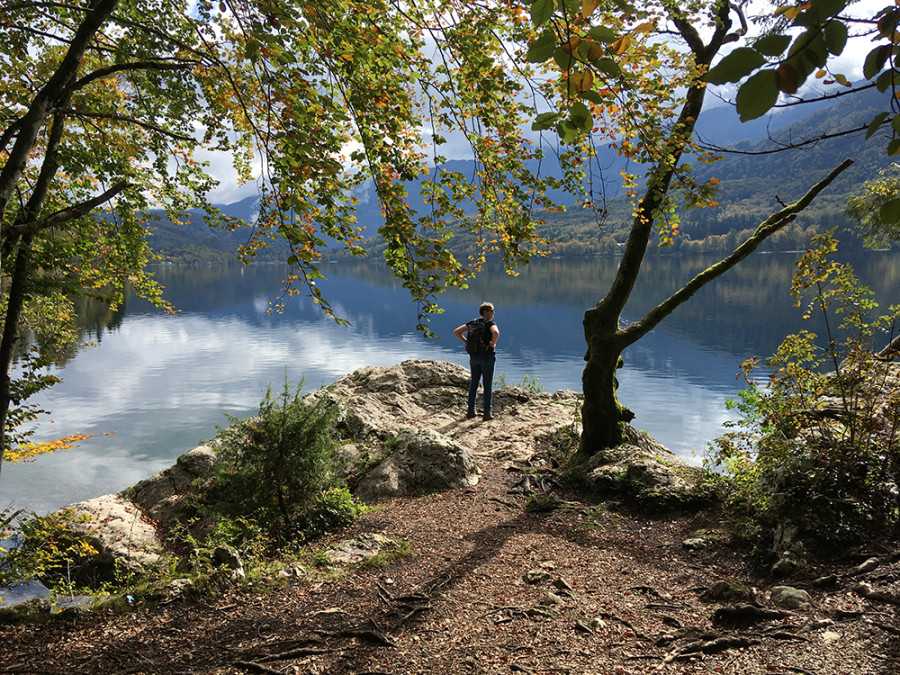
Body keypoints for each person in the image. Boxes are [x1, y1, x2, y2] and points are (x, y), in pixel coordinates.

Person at [453, 302, 500, 421]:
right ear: (485, 312)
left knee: (474, 383)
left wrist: (466, 342)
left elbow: (457, 332)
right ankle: (487, 413)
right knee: (487, 385)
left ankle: (470, 411)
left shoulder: (473, 323)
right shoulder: (490, 323)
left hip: (474, 357)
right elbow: (496, 333)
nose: (493, 313)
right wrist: (493, 344)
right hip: (487, 357)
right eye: (492, 311)